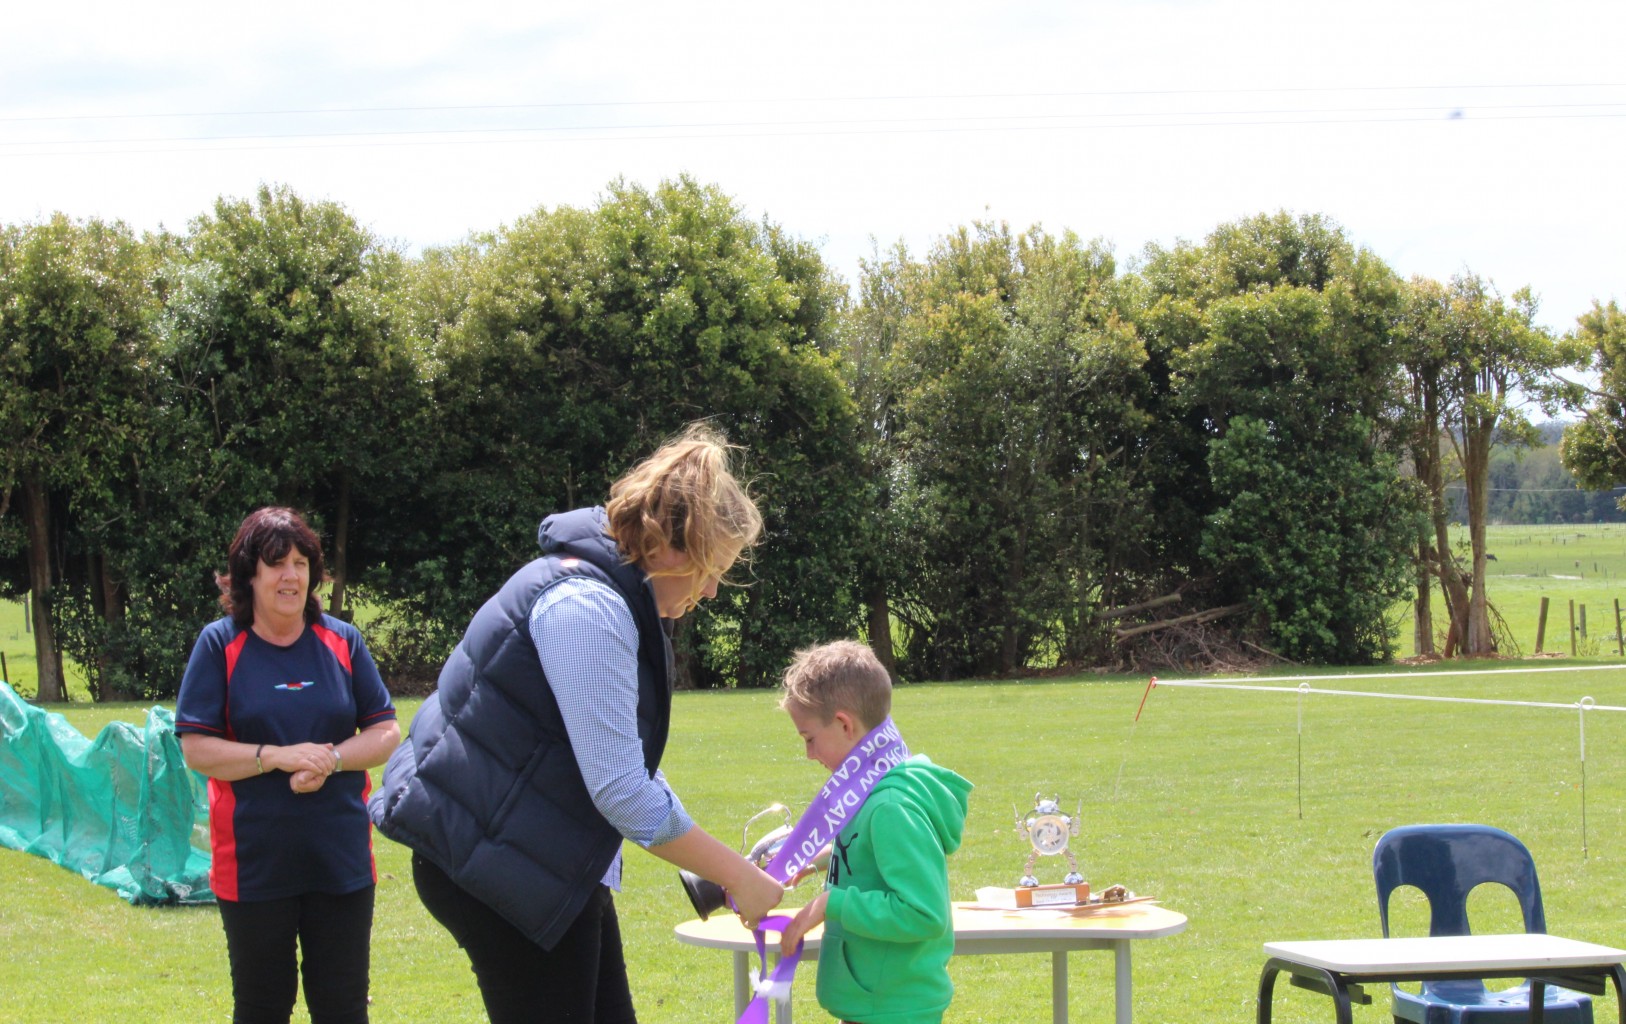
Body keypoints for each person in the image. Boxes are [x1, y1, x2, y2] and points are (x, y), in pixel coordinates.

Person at [368, 422, 786, 1024]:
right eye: (711, 567)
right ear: (670, 548)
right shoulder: (589, 607)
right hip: (499, 866)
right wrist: (738, 876)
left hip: (535, 857)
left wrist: (713, 864)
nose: (715, 590)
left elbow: (621, 762)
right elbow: (621, 791)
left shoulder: (610, 591)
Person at [175, 506, 402, 1024]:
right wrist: (274, 757)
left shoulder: (343, 641)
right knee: (262, 1007)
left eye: (301, 563)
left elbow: (386, 731)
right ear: (248, 575)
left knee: (343, 1008)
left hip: (340, 861)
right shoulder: (220, 644)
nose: (291, 576)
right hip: (253, 865)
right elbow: (197, 748)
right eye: (276, 563)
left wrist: (331, 759)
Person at [777, 640, 973, 1024]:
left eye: (809, 739)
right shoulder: (868, 790)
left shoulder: (890, 806)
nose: (809, 754)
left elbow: (923, 913)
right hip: (876, 1004)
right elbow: (868, 855)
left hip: (892, 1010)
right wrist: (814, 862)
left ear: (844, 724)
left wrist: (830, 904)